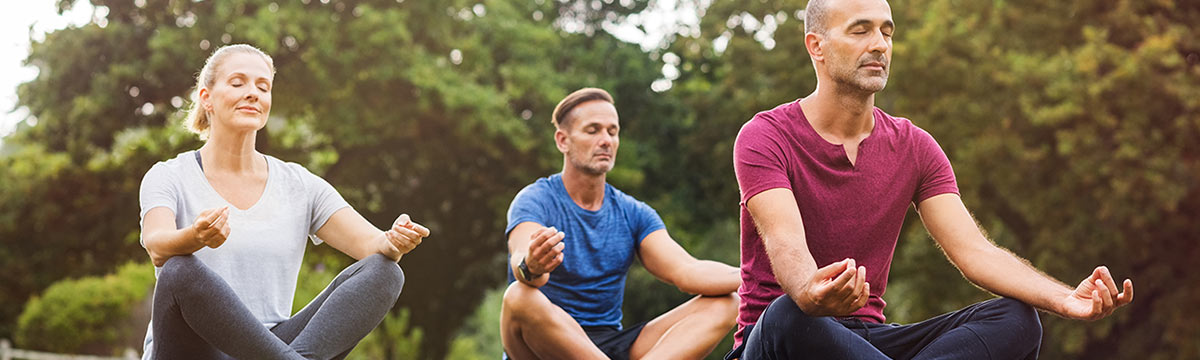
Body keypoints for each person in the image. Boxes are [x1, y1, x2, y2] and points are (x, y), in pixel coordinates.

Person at [727, 0, 1134, 359]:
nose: (879, 44)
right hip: (782, 343)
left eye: (887, 32)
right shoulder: (765, 136)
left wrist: (1065, 299)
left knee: (1016, 318)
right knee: (788, 315)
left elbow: (976, 252)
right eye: (861, 30)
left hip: (868, 342)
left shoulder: (914, 146)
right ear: (816, 46)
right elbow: (786, 244)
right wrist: (809, 290)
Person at [138, 44, 430, 360]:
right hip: (191, 351)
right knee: (179, 269)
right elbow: (157, 246)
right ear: (206, 97)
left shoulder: (299, 184)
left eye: (263, 87)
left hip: (270, 347)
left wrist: (393, 241)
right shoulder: (168, 175)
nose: (253, 93)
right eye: (238, 83)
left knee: (385, 273)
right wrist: (194, 237)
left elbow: (374, 246)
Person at [500, 88, 741, 360]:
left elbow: (687, 271)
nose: (606, 140)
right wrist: (531, 265)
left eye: (612, 132)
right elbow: (523, 264)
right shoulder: (535, 200)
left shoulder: (633, 212)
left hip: (610, 344)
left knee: (726, 302)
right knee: (519, 296)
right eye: (593, 130)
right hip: (540, 346)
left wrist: (758, 275)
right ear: (562, 140)